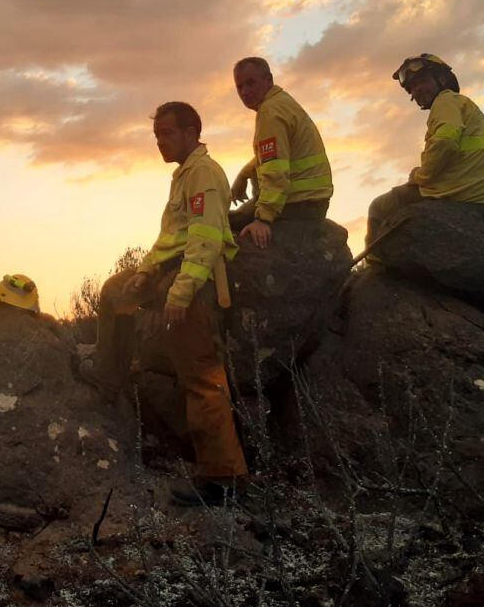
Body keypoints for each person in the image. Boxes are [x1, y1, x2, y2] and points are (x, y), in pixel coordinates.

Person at [95, 101, 248, 506]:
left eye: (167, 134)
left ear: (192, 132)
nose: (160, 142)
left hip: (194, 282)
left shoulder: (204, 174)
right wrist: (145, 271)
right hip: (168, 271)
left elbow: (205, 239)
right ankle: (110, 378)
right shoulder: (182, 175)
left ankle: (223, 481)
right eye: (157, 135)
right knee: (116, 290)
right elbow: (168, 235)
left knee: (201, 378)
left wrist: (180, 294)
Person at [365, 54, 484, 246]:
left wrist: (420, 176)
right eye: (412, 87)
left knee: (379, 207)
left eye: (422, 81)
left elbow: (444, 143)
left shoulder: (444, 101)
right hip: (479, 193)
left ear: (442, 79)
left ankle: (376, 267)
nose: (417, 89)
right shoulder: (460, 104)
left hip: (458, 192)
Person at [229, 57, 333, 248]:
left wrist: (263, 220)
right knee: (235, 218)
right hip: (310, 199)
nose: (244, 92)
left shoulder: (271, 112)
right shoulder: (281, 102)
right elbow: (276, 154)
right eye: (239, 86)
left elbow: (275, 171)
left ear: (268, 80)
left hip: (299, 204)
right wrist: (245, 174)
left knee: (225, 226)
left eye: (250, 83)